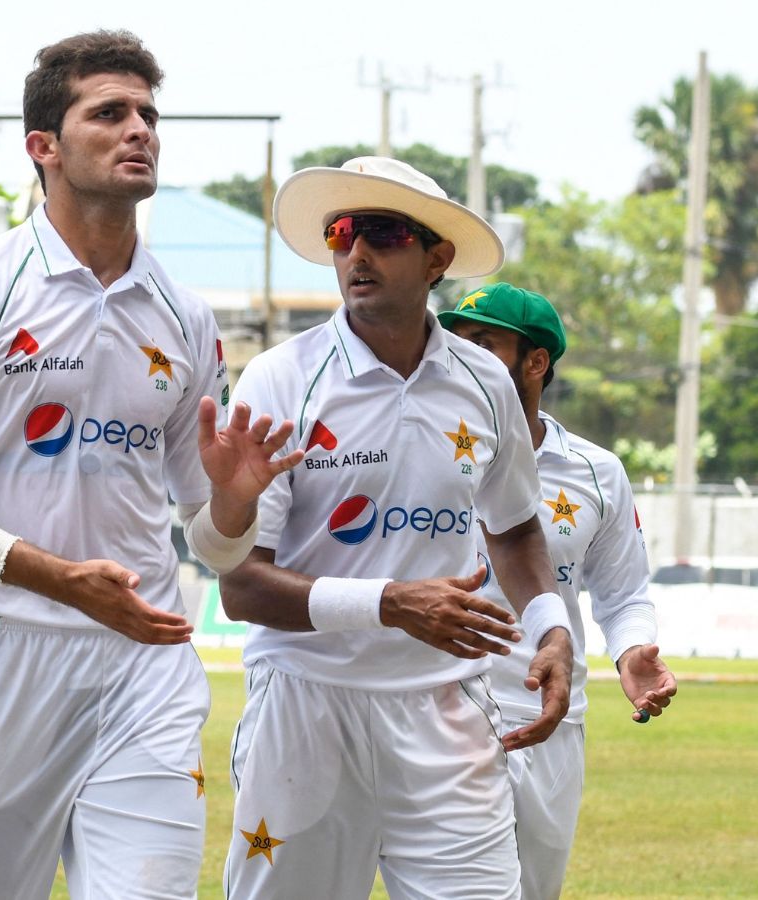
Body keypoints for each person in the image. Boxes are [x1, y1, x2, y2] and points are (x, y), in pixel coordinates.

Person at [0, 30, 300, 898]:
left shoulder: (185, 313)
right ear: (44, 148)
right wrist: (55, 577)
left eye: (147, 114)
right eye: (110, 113)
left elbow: (209, 548)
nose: (140, 130)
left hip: (145, 665)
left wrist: (235, 505)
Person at [219, 157, 577, 900]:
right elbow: (241, 586)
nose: (355, 253)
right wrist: (391, 603)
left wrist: (551, 629)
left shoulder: (485, 384)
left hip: (448, 714)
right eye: (341, 233)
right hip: (306, 710)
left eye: (380, 233)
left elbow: (513, 531)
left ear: (436, 256)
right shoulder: (281, 380)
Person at [440, 281, 678, 899]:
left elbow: (623, 592)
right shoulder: (429, 445)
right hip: (441, 711)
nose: (464, 357)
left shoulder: (598, 472)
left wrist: (632, 652)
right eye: (456, 343)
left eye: (484, 343)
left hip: (550, 719)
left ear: (536, 362)